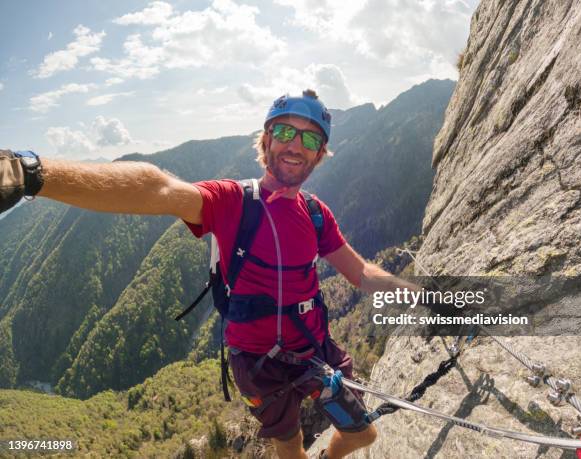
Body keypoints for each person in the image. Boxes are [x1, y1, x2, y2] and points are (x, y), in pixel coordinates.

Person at [1, 89, 417, 459]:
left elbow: (360, 273)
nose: (296, 146)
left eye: (310, 139)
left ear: (319, 153)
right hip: (258, 365)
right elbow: (156, 188)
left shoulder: (314, 213)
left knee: (362, 433)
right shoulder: (234, 200)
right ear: (266, 139)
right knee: (289, 449)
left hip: (313, 351)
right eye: (285, 133)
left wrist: (423, 295)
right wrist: (32, 174)